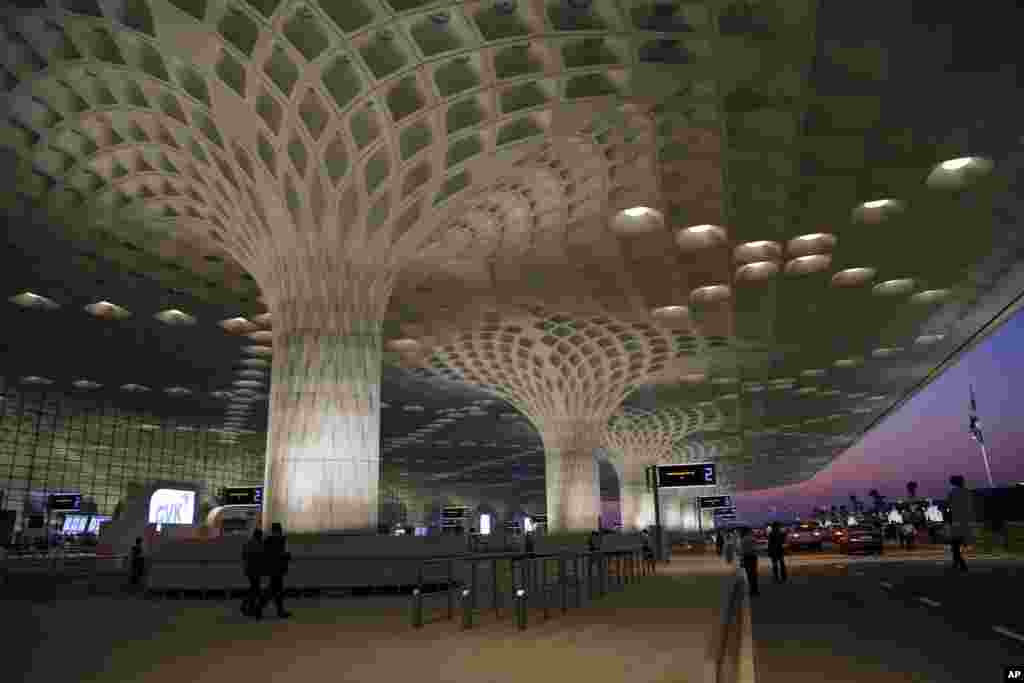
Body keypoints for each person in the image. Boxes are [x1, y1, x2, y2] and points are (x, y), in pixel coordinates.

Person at [259, 523, 293, 618]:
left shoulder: (267, 540)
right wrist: (286, 557)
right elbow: (285, 554)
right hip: (279, 569)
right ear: (279, 530)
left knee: (274, 589)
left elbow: (264, 554)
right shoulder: (281, 540)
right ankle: (260, 607)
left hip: (272, 568)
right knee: (275, 590)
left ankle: (263, 608)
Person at [946, 475, 972, 572]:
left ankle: (962, 564)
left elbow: (947, 506)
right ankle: (956, 564)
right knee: (957, 545)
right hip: (965, 522)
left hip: (956, 522)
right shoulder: (967, 492)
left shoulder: (952, 493)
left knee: (955, 546)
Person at [240, 529, 264, 618]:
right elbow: (262, 556)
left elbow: (243, 555)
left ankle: (248, 606)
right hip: (256, 570)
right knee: (255, 588)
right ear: (259, 536)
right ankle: (249, 606)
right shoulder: (259, 544)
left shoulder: (248, 543)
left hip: (249, 569)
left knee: (254, 588)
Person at [739, 528, 759, 597]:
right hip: (753, 557)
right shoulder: (752, 538)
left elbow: (741, 551)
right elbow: (756, 548)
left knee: (749, 574)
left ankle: (751, 589)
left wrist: (741, 561)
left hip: (746, 557)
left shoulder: (743, 540)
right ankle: (755, 590)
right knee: (754, 573)